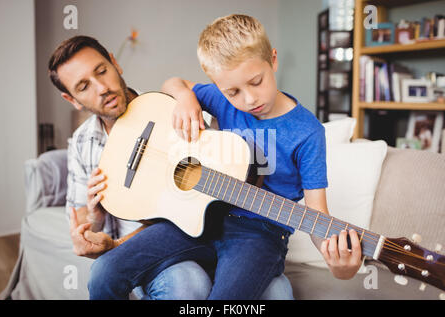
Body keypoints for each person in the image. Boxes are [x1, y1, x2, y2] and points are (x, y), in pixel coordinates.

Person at [48, 35, 293, 300]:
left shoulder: (171, 107)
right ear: (71, 99)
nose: (101, 88)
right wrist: (96, 220)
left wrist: (184, 96)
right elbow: (82, 218)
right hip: (149, 251)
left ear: (114, 63)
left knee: (279, 291)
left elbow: (226, 173)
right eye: (83, 86)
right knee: (186, 283)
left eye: (101, 71)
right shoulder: (83, 142)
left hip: (207, 234)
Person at [161, 14, 363, 298]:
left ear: (273, 59)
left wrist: (341, 266)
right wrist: (184, 97)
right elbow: (174, 82)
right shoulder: (221, 99)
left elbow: (317, 212)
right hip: (209, 216)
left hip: (262, 233)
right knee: (106, 272)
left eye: (256, 81)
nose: (249, 99)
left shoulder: (308, 131)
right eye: (233, 91)